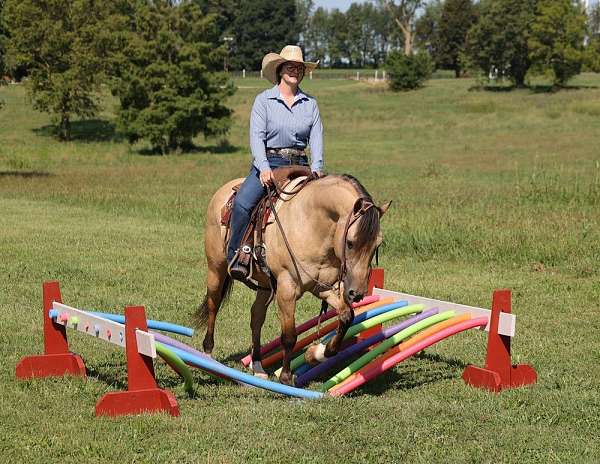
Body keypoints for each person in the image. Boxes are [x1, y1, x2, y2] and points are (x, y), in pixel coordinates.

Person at [227, 45, 324, 280]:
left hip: (300, 163)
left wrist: (317, 168)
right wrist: (263, 167)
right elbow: (256, 137)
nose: (295, 71)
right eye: (290, 66)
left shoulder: (310, 103)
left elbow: (317, 136)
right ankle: (237, 253)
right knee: (242, 203)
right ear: (281, 70)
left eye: (299, 68)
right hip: (270, 160)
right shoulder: (264, 101)